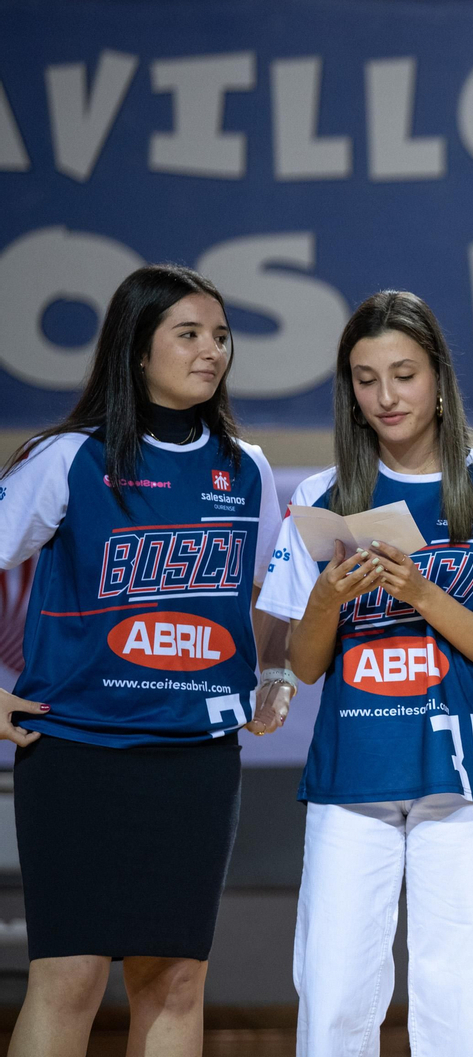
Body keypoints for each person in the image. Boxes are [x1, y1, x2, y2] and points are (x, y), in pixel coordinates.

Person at [254, 291, 473, 1057]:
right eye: (366, 379)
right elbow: (305, 663)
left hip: (463, 777)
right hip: (352, 771)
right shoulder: (320, 499)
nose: (386, 397)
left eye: (403, 374)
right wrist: (328, 595)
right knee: (332, 1001)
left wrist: (421, 592)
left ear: (439, 380)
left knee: (455, 1000)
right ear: (349, 392)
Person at [0, 264, 291, 1057]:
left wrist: (274, 673)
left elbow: (269, 593)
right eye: (188, 335)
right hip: (75, 753)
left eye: (221, 336)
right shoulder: (68, 459)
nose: (211, 352)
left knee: (176, 980)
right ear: (136, 349)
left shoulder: (247, 466)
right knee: (70, 976)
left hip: (196, 762)